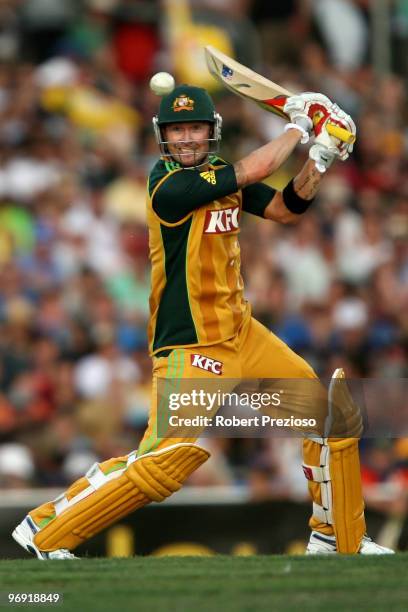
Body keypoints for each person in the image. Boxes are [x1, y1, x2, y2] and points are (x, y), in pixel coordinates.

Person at [12, 84, 393, 559]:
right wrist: (299, 124)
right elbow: (257, 167)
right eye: (177, 130)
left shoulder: (219, 175)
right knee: (161, 463)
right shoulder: (167, 185)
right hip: (192, 345)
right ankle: (45, 530)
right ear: (163, 137)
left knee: (327, 418)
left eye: (194, 128)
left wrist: (322, 153)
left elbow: (284, 208)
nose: (187, 138)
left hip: (241, 332)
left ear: (210, 132)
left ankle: (335, 538)